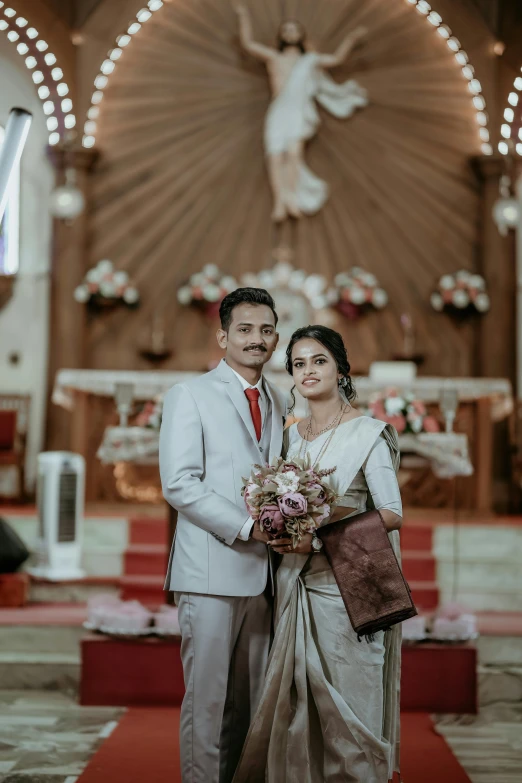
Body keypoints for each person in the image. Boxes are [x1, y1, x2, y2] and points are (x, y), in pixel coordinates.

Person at [233, 324, 403, 783]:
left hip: (345, 586)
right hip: (293, 581)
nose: (308, 370)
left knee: (351, 705)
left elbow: (391, 512)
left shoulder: (369, 433)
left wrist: (320, 538)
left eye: (319, 360)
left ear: (341, 368)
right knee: (296, 705)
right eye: (299, 363)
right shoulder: (289, 438)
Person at [159, 288, 288, 783]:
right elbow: (179, 483)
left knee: (249, 706)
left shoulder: (277, 398)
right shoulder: (190, 394)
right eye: (245, 329)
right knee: (208, 703)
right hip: (211, 569)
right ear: (223, 337)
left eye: (266, 330)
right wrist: (247, 527)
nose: (257, 339)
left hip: (265, 578)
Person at [235, 6, 368, 220]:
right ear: (281, 35)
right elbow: (249, 44)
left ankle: (291, 198)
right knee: (275, 155)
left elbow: (335, 59)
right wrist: (243, 17)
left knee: (294, 155)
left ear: (300, 35)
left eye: (294, 30)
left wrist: (350, 39)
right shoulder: (274, 57)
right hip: (279, 109)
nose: (290, 33)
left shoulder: (310, 61)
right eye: (286, 30)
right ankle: (280, 201)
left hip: (297, 110)